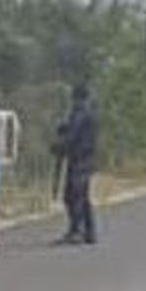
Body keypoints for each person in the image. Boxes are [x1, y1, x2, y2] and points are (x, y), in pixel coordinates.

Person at [54, 82, 99, 246]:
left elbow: (73, 135)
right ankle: (89, 232)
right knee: (83, 197)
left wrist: (59, 145)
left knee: (73, 196)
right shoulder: (88, 113)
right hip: (86, 159)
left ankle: (77, 231)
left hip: (79, 159)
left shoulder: (81, 113)